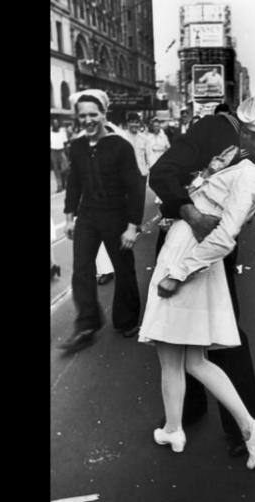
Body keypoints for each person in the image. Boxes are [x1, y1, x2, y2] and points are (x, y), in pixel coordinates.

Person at [140, 146, 255, 470]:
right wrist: (210, 173)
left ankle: (218, 427)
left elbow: (223, 236)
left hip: (184, 255)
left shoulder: (249, 176)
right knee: (193, 360)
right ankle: (190, 427)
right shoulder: (252, 176)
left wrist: (176, 274)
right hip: (194, 257)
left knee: (171, 357)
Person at [58, 89, 145, 354]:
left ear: (104, 114)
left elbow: (135, 187)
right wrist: (69, 217)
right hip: (87, 216)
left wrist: (132, 226)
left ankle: (127, 320)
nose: (87, 120)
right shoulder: (77, 145)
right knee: (82, 270)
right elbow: (74, 183)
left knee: (123, 269)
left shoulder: (120, 146)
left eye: (93, 114)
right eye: (82, 115)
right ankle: (86, 325)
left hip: (116, 215)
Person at [50, 118, 70, 194]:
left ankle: (65, 184)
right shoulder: (50, 133)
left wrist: (68, 154)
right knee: (56, 170)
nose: (55, 124)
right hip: (53, 152)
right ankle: (59, 186)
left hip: (61, 151)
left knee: (65, 169)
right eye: (54, 123)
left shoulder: (62, 132)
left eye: (57, 123)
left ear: (59, 124)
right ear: (52, 125)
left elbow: (65, 144)